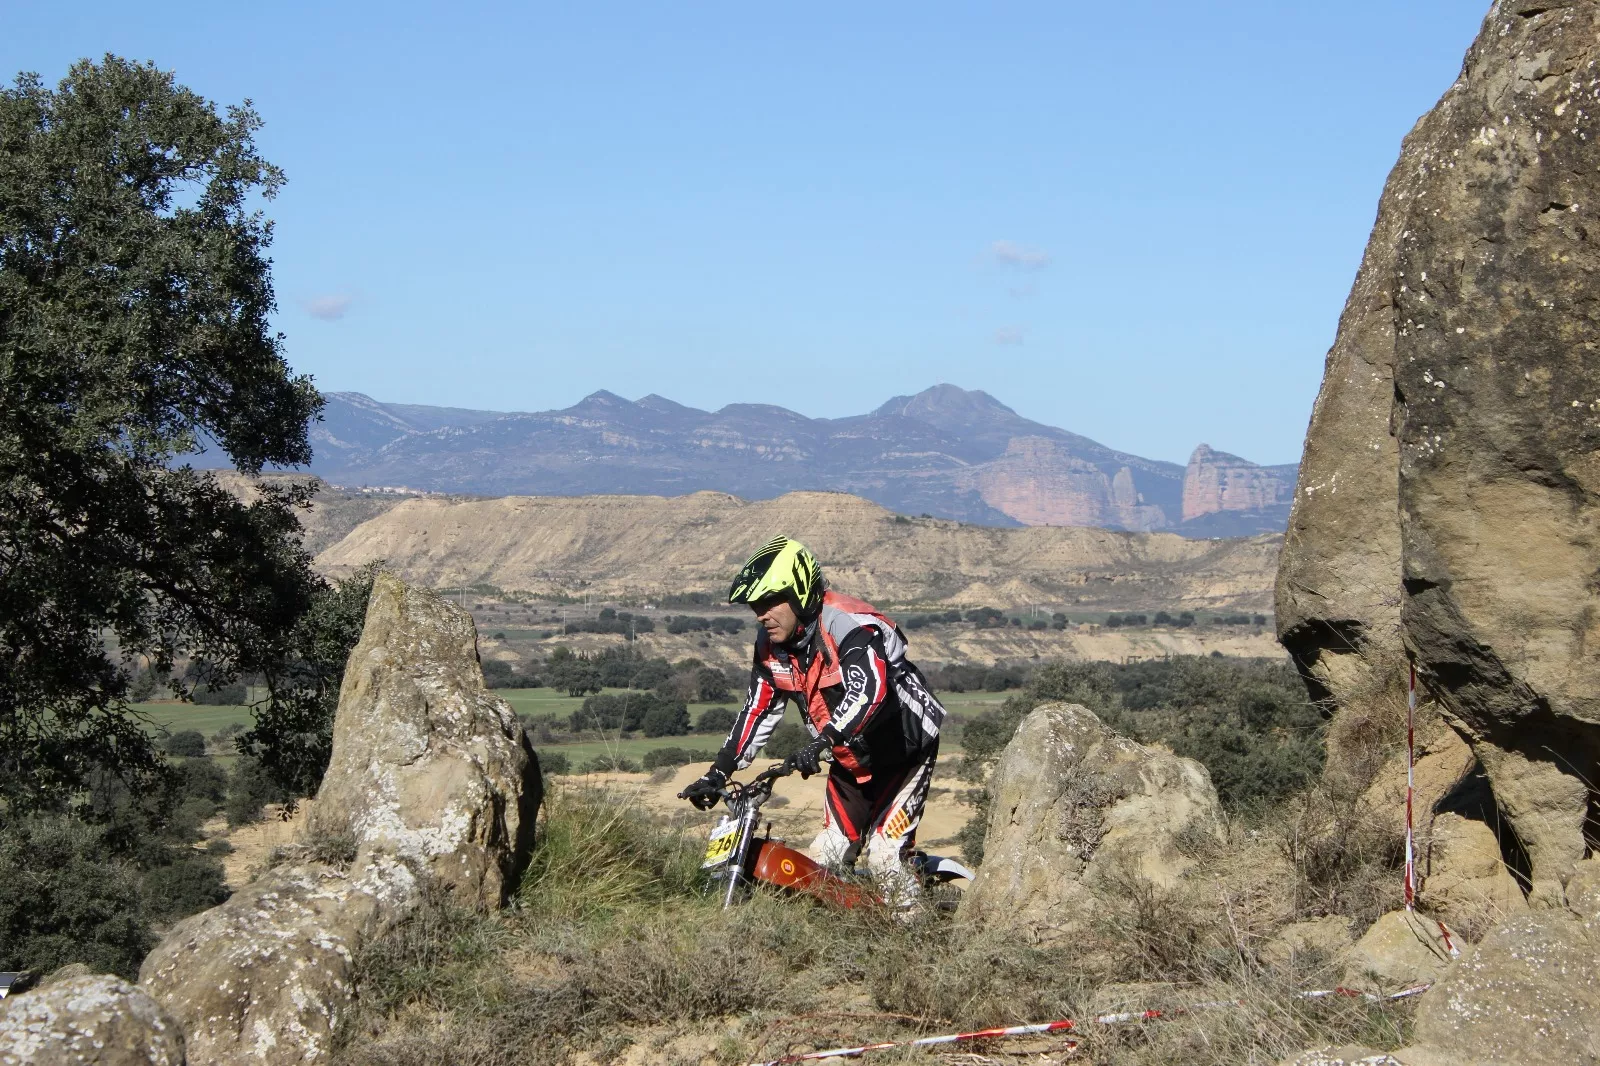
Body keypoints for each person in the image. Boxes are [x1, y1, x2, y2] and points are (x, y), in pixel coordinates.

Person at [679, 535, 946, 907]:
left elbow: (869, 689)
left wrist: (824, 740)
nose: (761, 614)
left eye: (770, 602)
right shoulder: (771, 645)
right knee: (823, 860)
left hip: (904, 749)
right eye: (756, 605)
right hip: (849, 757)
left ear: (800, 593)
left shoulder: (849, 626)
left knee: (887, 858)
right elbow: (757, 709)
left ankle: (918, 947)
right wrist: (718, 772)